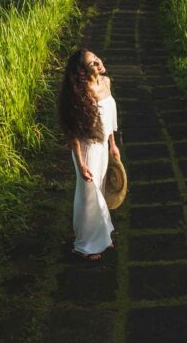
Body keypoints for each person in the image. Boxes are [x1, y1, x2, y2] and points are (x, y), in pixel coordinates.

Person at [58, 48, 120, 261]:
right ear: (82, 72)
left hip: (103, 145)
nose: (98, 62)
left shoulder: (106, 82)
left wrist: (113, 144)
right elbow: (73, 133)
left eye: (96, 57)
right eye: (92, 62)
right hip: (86, 149)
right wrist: (81, 163)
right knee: (88, 194)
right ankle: (84, 245)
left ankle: (101, 236)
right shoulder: (79, 93)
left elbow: (110, 115)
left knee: (101, 188)